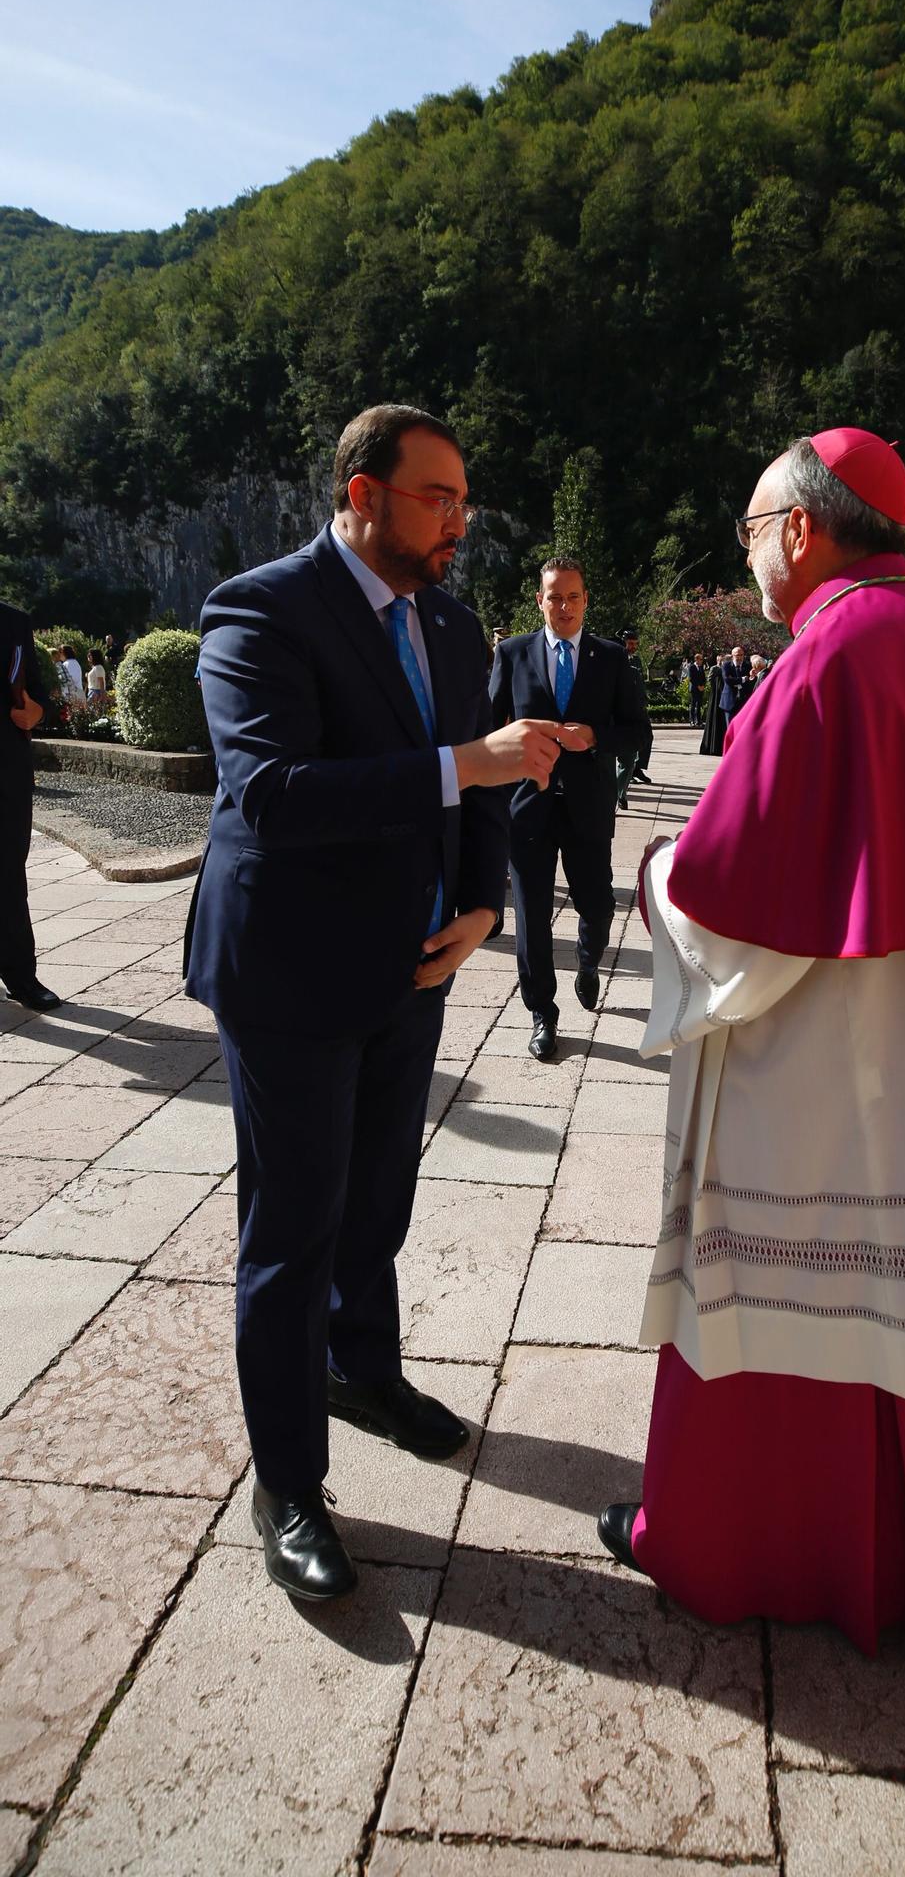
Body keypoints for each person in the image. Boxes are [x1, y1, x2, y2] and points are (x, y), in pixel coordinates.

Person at [597, 426, 905, 1664]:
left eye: (754, 532)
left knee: (814, 1258)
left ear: (804, 531)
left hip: (840, 1052)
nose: (753, 555)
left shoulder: (835, 643)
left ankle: (761, 1535)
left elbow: (735, 899)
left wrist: (660, 875)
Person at [186, 403, 572, 1603]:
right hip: (294, 975)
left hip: (416, 966)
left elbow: (473, 800)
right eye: (435, 497)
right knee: (291, 1234)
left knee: (379, 1204)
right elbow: (274, 794)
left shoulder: (453, 626)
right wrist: (471, 763)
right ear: (363, 493)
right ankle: (288, 1481)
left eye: (465, 499)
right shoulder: (259, 609)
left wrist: (485, 909)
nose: (459, 519)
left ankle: (365, 1371)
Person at [490, 559, 647, 1061]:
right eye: (554, 597)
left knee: (598, 906)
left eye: (572, 597)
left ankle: (587, 960)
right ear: (540, 600)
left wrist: (596, 736)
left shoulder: (610, 658)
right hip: (528, 807)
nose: (564, 606)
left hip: (588, 807)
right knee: (532, 917)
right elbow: (487, 730)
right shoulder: (512, 654)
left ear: (586, 600)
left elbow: (638, 733)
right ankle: (543, 1014)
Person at [0, 604, 60, 1012]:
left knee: (7, 871)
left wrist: (36, 710)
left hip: (7, 767)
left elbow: (37, 692)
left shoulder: (14, 621)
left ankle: (21, 975)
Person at [614, 629, 654, 812]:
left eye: (635, 644)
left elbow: (640, 690)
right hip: (612, 719)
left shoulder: (636, 662)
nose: (633, 647)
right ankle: (612, 795)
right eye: (630, 643)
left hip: (632, 718)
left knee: (628, 761)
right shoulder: (611, 656)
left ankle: (619, 794)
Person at [699, 654, 726, 757]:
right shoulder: (714, 668)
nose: (720, 661)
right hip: (716, 694)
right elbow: (710, 679)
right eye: (719, 659)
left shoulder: (725, 668)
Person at [718, 646, 745, 728]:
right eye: (737, 655)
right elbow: (727, 680)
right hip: (729, 701)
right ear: (732, 655)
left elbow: (750, 681)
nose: (739, 657)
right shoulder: (726, 665)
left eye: (741, 655)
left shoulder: (747, 665)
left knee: (741, 727)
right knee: (730, 726)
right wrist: (742, 679)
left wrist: (736, 680)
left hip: (742, 701)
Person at [686, 651, 707, 728]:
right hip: (694, 688)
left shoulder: (701, 667)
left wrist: (703, 686)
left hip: (701, 689)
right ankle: (692, 720)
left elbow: (704, 678)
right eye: (700, 659)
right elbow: (691, 678)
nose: (701, 661)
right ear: (696, 659)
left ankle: (699, 721)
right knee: (693, 704)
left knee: (699, 705)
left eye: (702, 659)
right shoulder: (692, 667)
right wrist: (698, 686)